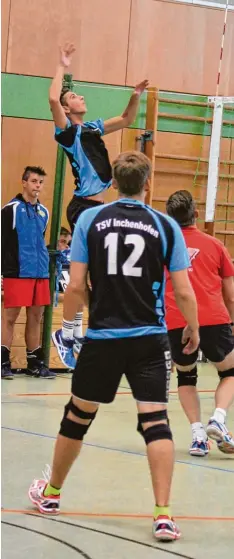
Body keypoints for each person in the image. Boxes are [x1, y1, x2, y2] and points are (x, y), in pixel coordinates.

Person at [29, 151, 200, 542]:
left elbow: (74, 287)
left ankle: (52, 494)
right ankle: (163, 515)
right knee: (156, 422)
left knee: (77, 417)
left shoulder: (89, 219)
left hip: (103, 338)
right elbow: (184, 291)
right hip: (149, 339)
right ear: (147, 183)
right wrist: (193, 329)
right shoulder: (165, 226)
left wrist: (76, 319)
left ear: (115, 183)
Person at [49, 42, 149, 367]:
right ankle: (66, 332)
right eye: (74, 97)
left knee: (94, 275)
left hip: (100, 209)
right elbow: (53, 99)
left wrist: (135, 94)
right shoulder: (68, 133)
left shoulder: (92, 128)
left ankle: (77, 332)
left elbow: (127, 118)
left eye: (77, 95)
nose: (80, 98)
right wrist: (63, 65)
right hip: (83, 209)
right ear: (67, 107)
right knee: (82, 274)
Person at [165, 190, 234, 456]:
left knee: (186, 376)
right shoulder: (215, 246)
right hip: (213, 318)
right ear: (195, 213)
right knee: (229, 373)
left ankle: (197, 436)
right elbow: (229, 294)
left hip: (176, 319)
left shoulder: (164, 248)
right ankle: (218, 417)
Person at [1, 166, 55, 380]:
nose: (37, 186)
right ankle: (3, 361)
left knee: (35, 317)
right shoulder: (10, 210)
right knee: (10, 318)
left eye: (40, 182)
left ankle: (34, 362)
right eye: (33, 181)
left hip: (40, 273)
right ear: (24, 183)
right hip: (17, 272)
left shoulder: (44, 212)